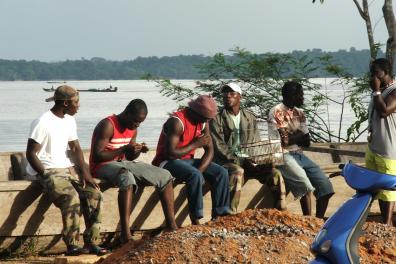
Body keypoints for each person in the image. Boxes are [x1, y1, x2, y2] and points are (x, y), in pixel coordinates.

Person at [26, 85, 108, 256]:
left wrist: (86, 173)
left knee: (95, 194)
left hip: (68, 169)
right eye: (76, 102)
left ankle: (91, 242)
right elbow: (31, 153)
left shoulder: (69, 120)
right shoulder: (43, 122)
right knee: (71, 197)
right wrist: (45, 174)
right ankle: (71, 244)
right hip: (48, 169)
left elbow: (76, 147)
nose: (78, 106)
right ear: (65, 103)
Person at [89, 99, 177, 243]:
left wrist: (137, 150)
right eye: (135, 121)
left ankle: (171, 226)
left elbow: (130, 157)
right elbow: (98, 156)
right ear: (127, 113)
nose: (137, 125)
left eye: (140, 122)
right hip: (102, 166)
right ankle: (125, 233)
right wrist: (123, 149)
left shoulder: (133, 128)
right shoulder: (107, 125)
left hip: (122, 163)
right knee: (126, 177)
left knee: (165, 175)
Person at [152, 95, 232, 225]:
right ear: (195, 112)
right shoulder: (177, 122)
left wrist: (200, 171)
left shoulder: (203, 122)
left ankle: (220, 215)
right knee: (193, 174)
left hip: (187, 161)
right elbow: (170, 154)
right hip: (166, 162)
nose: (207, 121)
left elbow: (210, 151)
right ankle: (196, 218)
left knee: (221, 172)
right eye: (205, 118)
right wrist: (195, 144)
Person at [210, 83, 286, 212]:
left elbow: (255, 142)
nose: (228, 96)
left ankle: (280, 211)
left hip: (248, 161)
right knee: (237, 172)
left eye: (232, 93)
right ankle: (229, 214)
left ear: (240, 97)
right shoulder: (216, 119)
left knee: (275, 173)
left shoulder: (250, 117)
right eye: (225, 94)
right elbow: (219, 147)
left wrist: (262, 160)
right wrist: (242, 159)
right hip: (226, 162)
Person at [268, 81, 334, 218]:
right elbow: (284, 142)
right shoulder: (277, 111)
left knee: (326, 187)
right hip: (282, 154)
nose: (303, 98)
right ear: (292, 96)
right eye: (301, 95)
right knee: (305, 186)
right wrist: (298, 136)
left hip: (298, 153)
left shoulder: (300, 113)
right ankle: (308, 221)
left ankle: (318, 221)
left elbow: (307, 141)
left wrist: (293, 137)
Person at [367, 58, 396, 226]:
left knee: (389, 187)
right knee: (375, 186)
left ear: (386, 72)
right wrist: (376, 91)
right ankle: (385, 224)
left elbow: (384, 111)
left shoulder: (393, 90)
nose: (374, 77)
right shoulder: (378, 90)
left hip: (388, 147)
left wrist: (376, 91)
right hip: (374, 146)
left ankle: (387, 224)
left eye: (377, 73)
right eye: (372, 73)